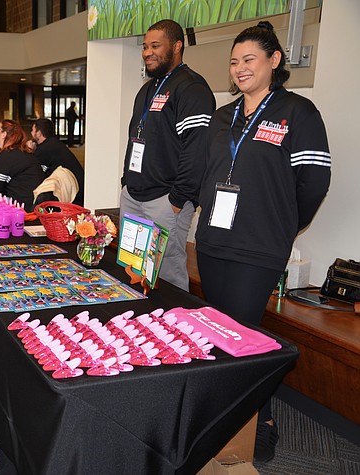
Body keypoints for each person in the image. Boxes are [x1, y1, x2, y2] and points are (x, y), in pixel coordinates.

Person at [195, 21, 331, 465]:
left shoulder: (299, 112)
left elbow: (314, 182)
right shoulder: (223, 114)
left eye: (249, 59)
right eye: (234, 62)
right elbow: (209, 174)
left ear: (274, 60)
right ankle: (238, 417)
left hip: (259, 248)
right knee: (223, 333)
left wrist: (286, 223)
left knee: (243, 335)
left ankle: (263, 422)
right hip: (214, 242)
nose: (239, 68)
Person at [119, 19, 215, 291]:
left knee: (168, 275)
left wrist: (177, 200)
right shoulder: (147, 89)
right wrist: (126, 182)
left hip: (165, 201)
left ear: (176, 46)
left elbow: (197, 150)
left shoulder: (192, 88)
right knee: (133, 271)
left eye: (155, 46)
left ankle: (173, 328)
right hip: (134, 196)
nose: (147, 52)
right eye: (145, 46)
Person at [29, 118, 85, 205]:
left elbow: (36, 174)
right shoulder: (53, 143)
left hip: (73, 194)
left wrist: (29, 151)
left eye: (32, 130)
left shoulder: (44, 149)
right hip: (79, 188)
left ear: (39, 133)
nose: (31, 133)